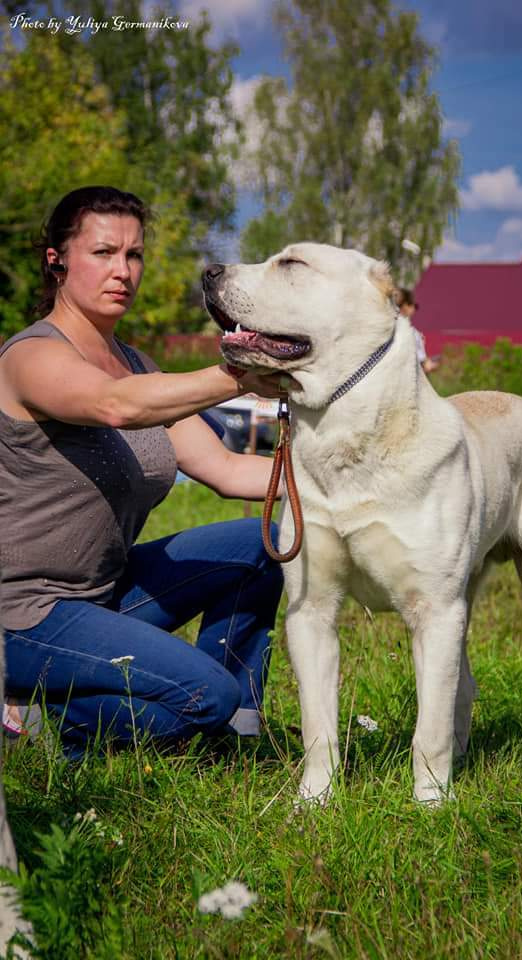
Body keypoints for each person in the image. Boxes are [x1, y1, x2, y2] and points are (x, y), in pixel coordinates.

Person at [0, 186, 285, 758]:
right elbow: (116, 405)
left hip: (102, 593)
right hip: (23, 615)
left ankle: (235, 732)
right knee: (204, 695)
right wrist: (242, 372)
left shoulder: (135, 364)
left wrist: (351, 473)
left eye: (134, 255)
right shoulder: (31, 357)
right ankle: (48, 723)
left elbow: (226, 469)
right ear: (57, 260)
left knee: (265, 544)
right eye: (103, 253)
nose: (122, 271)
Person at [394, 288, 440, 375]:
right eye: (414, 306)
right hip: (408, 373)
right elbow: (418, 357)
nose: (414, 309)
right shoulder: (407, 330)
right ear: (405, 306)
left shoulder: (393, 324)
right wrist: (427, 363)